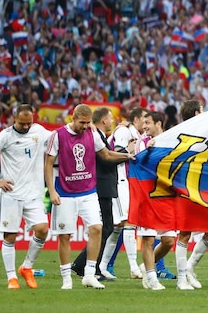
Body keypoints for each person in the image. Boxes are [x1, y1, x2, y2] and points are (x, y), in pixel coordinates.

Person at [44, 104, 134, 290]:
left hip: (88, 192)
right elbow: (48, 163)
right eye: (82, 122)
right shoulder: (58, 136)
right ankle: (66, 278)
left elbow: (107, 155)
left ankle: (90, 274)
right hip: (65, 193)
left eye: (87, 122)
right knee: (65, 236)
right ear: (73, 118)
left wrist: (127, 156)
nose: (85, 126)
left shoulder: (92, 135)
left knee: (97, 228)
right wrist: (51, 190)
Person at [0, 105, 52, 289]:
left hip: (33, 194)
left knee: (42, 229)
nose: (27, 127)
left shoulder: (39, 131)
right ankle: (12, 277)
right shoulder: (5, 136)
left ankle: (27, 267)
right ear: (14, 118)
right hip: (12, 194)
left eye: (29, 123)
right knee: (10, 236)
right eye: (23, 123)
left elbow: (59, 138)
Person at [174, 100, 208, 290]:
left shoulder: (205, 132)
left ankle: (190, 268)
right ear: (196, 114)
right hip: (187, 188)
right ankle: (181, 279)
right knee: (185, 233)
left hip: (205, 189)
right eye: (202, 111)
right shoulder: (180, 134)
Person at [70, 107, 120, 281]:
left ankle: (84, 264)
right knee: (104, 227)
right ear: (104, 120)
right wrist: (126, 155)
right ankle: (89, 266)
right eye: (111, 118)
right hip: (101, 186)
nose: (112, 121)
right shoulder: (95, 135)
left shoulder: (97, 135)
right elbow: (104, 160)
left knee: (106, 227)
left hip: (103, 186)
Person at [99, 107, 147, 280]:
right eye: (144, 119)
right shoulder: (124, 132)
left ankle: (102, 266)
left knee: (117, 227)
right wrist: (129, 151)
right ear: (135, 120)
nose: (146, 122)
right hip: (119, 181)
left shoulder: (134, 134)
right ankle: (134, 267)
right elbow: (116, 153)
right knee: (128, 222)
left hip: (125, 182)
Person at [135, 111, 175, 290]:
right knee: (148, 239)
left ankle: (145, 267)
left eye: (147, 123)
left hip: (165, 197)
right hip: (146, 196)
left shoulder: (170, 141)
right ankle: (152, 279)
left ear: (158, 123)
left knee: (168, 241)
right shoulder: (142, 143)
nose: (144, 127)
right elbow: (137, 163)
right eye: (143, 123)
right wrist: (147, 151)